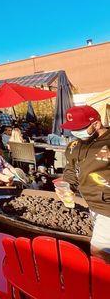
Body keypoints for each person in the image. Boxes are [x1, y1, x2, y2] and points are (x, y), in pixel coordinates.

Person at [62, 105, 110, 263]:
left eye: (80, 128)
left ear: (96, 124)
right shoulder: (74, 146)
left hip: (107, 207)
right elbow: (70, 169)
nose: (75, 133)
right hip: (89, 204)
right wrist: (68, 186)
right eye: (72, 129)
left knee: (99, 253)